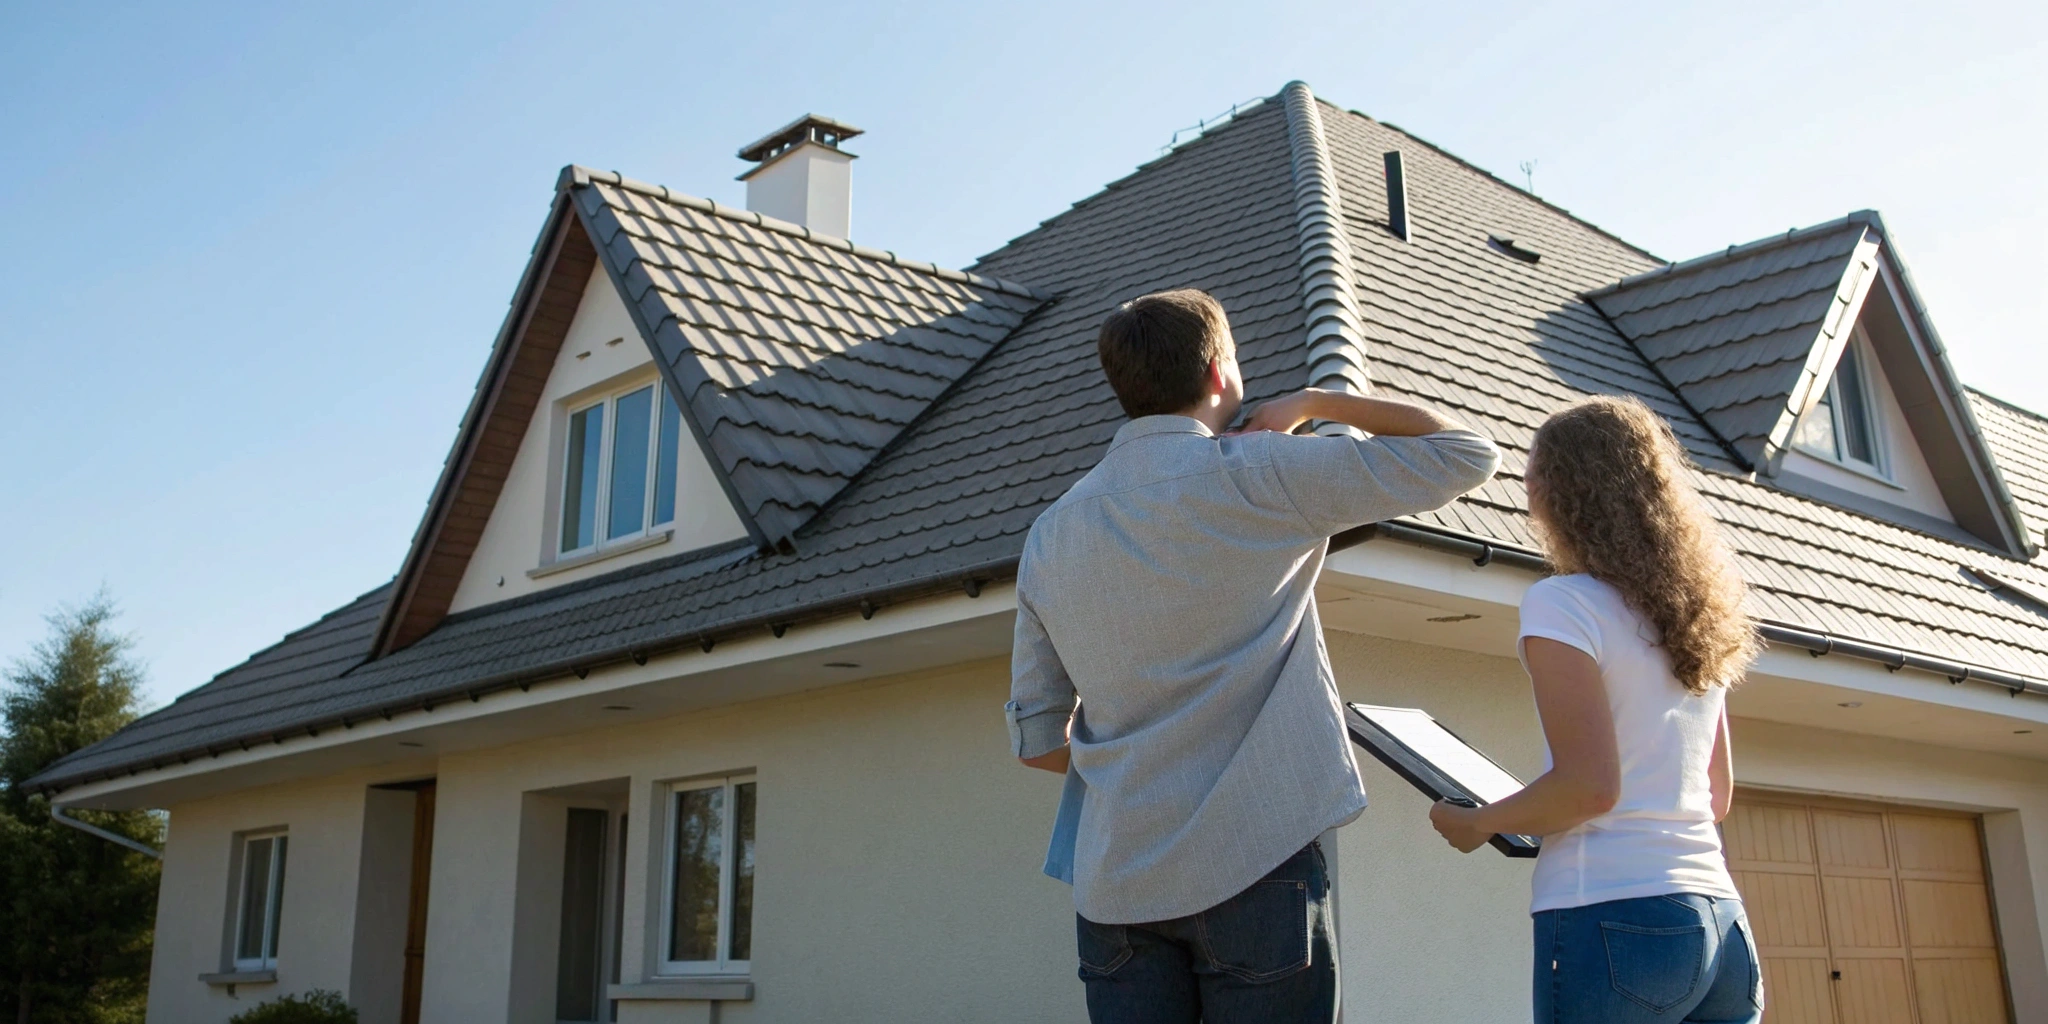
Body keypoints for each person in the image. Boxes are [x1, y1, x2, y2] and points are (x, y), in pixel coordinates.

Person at [1006, 288, 1500, 1024]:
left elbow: (1040, 742)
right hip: (1257, 869)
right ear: (1218, 376)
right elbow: (1467, 454)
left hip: (1115, 888)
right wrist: (1313, 399)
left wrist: (1139, 763)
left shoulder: (1051, 532)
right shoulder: (1266, 472)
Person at [1427, 396, 1765, 1024]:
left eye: (1533, 475)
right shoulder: (1697, 617)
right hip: (1721, 923)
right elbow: (1715, 796)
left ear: (1556, 493)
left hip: (1613, 912)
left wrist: (1480, 823)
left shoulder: (1565, 603)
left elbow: (1589, 788)